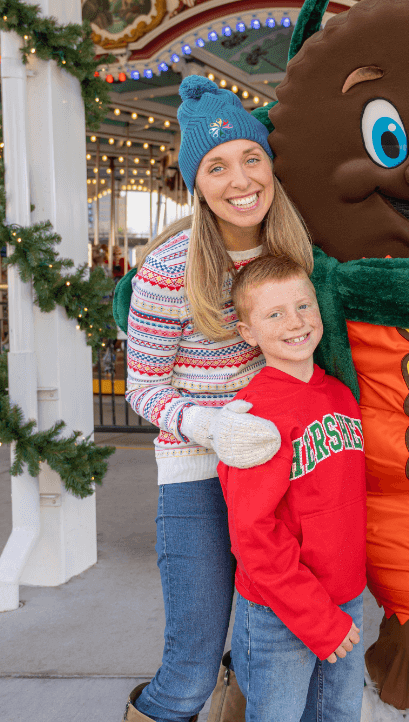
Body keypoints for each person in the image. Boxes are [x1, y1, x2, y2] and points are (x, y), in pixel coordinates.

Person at [122, 75, 314, 722]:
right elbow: (142, 386)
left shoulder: (300, 249)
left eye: (250, 158)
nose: (239, 180)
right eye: (216, 166)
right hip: (199, 476)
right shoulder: (170, 266)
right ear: (195, 182)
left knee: (270, 654)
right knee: (190, 669)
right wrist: (206, 425)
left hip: (285, 473)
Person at [219, 255, 366, 721]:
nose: (296, 322)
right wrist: (318, 620)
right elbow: (253, 537)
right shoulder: (253, 416)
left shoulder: (341, 395)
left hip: (345, 599)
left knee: (339, 714)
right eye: (275, 314)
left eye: (304, 306)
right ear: (248, 333)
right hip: (278, 614)